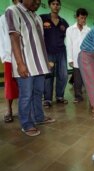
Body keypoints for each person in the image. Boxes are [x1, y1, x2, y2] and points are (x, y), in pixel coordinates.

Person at [5, 0, 56, 137]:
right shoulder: (13, 11)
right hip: (25, 64)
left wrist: (46, 62)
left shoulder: (37, 17)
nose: (37, 2)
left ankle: (39, 118)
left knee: (38, 92)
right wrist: (20, 63)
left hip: (39, 64)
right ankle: (26, 124)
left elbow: (40, 43)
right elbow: (14, 38)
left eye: (39, 0)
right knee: (26, 95)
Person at [40, 0, 69, 108]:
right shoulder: (42, 19)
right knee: (48, 76)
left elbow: (67, 37)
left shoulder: (64, 22)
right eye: (53, 4)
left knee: (63, 75)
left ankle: (60, 96)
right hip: (48, 52)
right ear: (49, 5)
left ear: (60, 6)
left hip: (61, 52)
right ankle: (47, 99)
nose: (56, 6)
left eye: (57, 4)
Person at [0, 0, 20, 123]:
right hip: (10, 56)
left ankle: (24, 109)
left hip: (24, 56)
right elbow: (1, 38)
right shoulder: (4, 17)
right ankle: (9, 110)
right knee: (10, 83)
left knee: (25, 84)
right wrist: (4, 56)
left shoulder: (26, 16)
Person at [66, 8, 90, 103]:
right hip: (76, 58)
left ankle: (92, 97)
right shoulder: (70, 30)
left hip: (87, 58)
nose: (83, 20)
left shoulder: (88, 30)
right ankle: (78, 96)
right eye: (81, 18)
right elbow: (69, 45)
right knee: (77, 79)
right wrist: (70, 59)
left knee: (88, 79)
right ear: (77, 17)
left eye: (84, 18)